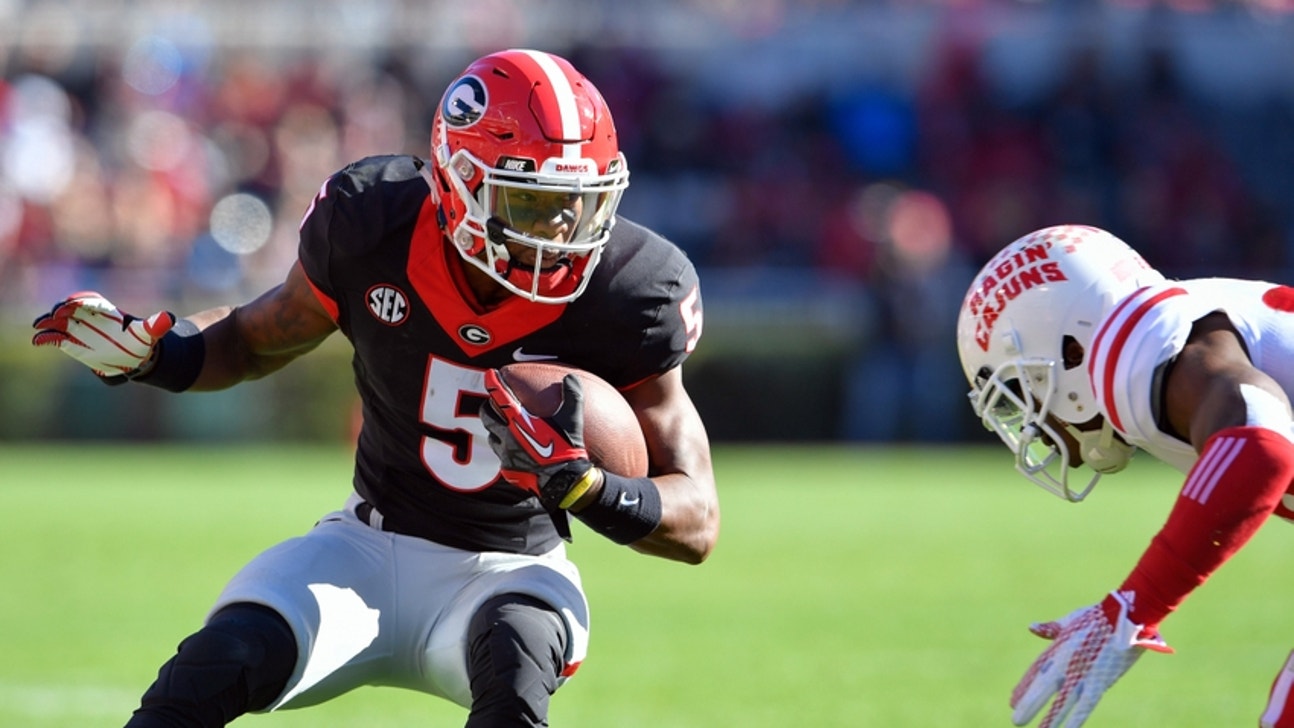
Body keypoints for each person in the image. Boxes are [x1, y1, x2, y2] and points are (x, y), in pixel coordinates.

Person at [31, 48, 719, 727]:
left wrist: (588, 490)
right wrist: (160, 353)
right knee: (209, 671)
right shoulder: (375, 223)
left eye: (576, 204)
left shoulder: (631, 287)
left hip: (512, 571)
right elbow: (250, 338)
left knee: (515, 674)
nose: (560, 233)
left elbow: (699, 519)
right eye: (531, 203)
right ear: (457, 184)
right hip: (363, 548)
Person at [955, 223, 1294, 728]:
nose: (1036, 428)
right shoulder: (1169, 320)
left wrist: (1134, 604)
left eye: (1024, 389)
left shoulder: (1133, 352)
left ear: (1071, 353)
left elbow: (1260, 443)